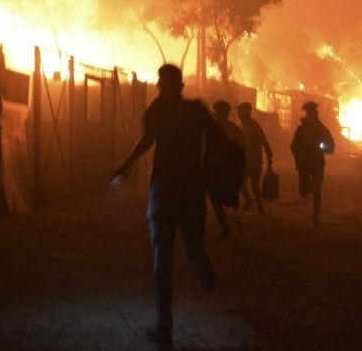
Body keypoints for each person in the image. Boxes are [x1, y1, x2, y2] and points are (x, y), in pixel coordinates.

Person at [112, 64, 221, 347]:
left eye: (161, 83)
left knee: (163, 261)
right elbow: (216, 138)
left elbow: (146, 141)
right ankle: (202, 269)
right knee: (193, 247)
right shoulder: (196, 110)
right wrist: (206, 171)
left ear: (162, 85)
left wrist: (125, 164)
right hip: (191, 191)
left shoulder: (158, 111)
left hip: (164, 190)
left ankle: (164, 328)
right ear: (181, 85)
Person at [290, 101, 335, 226]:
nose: (311, 115)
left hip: (317, 163)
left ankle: (315, 217)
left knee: (317, 191)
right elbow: (293, 146)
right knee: (303, 191)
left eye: (313, 112)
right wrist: (298, 160)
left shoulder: (322, 129)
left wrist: (324, 147)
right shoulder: (301, 130)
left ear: (316, 113)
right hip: (304, 164)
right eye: (309, 113)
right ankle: (312, 188)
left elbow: (331, 147)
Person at [208, 101, 245, 237]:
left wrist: (239, 167)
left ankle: (233, 224)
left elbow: (241, 149)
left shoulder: (232, 129)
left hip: (228, 169)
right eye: (218, 111)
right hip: (216, 169)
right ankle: (226, 227)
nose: (218, 114)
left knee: (225, 198)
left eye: (221, 111)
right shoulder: (211, 128)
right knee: (216, 199)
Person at [237, 102, 274, 215]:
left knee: (253, 185)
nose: (239, 114)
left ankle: (258, 206)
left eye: (241, 111)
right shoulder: (242, 125)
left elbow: (263, 139)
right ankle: (250, 201)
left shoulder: (253, 125)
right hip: (245, 160)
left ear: (247, 112)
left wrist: (269, 153)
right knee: (242, 183)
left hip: (254, 160)